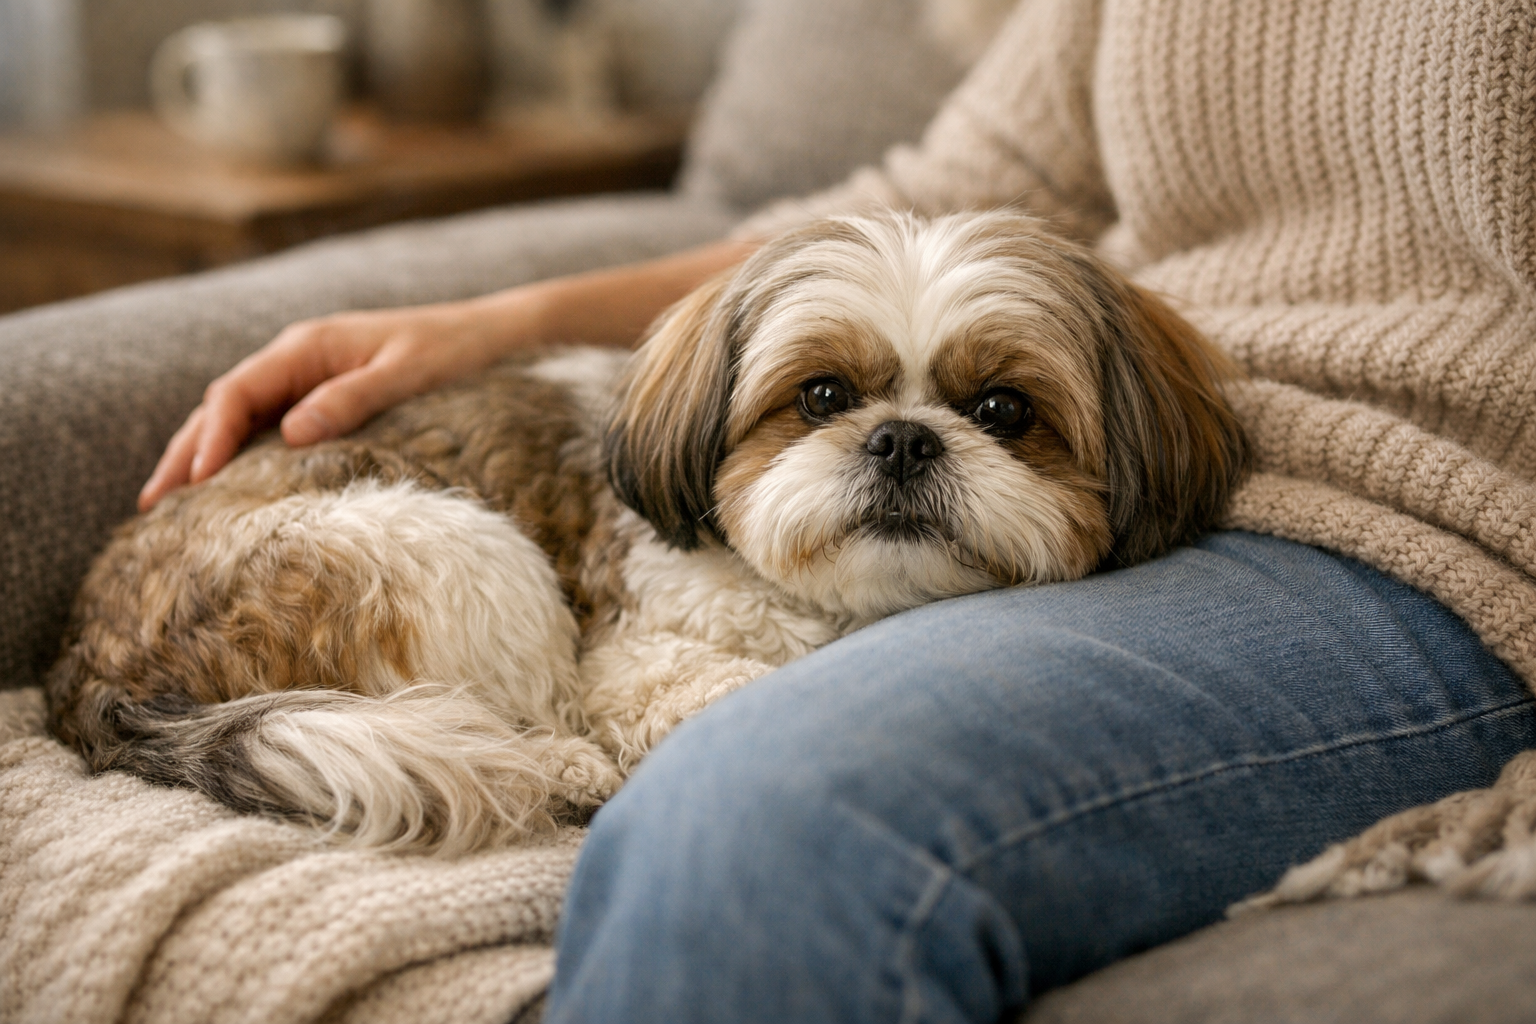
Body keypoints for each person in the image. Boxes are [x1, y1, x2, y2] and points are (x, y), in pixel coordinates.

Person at [139, 0, 1536, 1020]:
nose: (903, 451)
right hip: (1156, 482)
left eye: (993, 419)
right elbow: (950, 199)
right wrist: (493, 318)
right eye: (824, 406)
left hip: (1445, 517)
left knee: (769, 817)